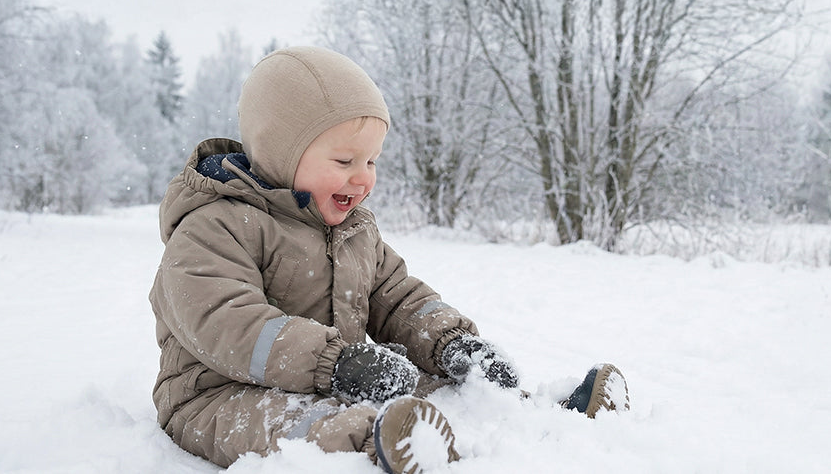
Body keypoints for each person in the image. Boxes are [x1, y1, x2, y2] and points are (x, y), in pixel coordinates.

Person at [148, 46, 624, 473]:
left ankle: (531, 414)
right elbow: (228, 324)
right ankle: (384, 441)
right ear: (281, 153)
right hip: (217, 395)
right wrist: (336, 364)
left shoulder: (354, 231)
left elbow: (397, 297)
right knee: (296, 424)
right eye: (344, 162)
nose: (362, 179)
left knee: (432, 384)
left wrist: (450, 343)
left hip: (339, 374)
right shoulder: (214, 226)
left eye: (371, 161)